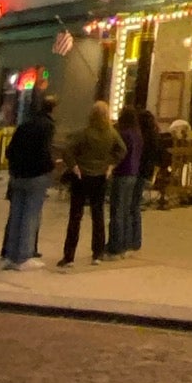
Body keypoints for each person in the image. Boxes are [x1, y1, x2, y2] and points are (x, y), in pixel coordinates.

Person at [57, 100, 125, 269]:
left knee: (76, 216)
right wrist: (111, 163)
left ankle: (69, 256)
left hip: (82, 175)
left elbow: (68, 150)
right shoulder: (112, 133)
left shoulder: (85, 133)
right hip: (100, 176)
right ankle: (98, 253)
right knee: (98, 215)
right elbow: (122, 150)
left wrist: (74, 166)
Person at [1, 93, 58, 270]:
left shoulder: (24, 125)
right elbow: (45, 152)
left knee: (17, 214)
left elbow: (10, 151)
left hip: (18, 175)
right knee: (31, 215)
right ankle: (24, 255)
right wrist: (50, 166)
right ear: (53, 109)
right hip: (36, 175)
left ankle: (11, 254)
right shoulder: (47, 127)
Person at [104, 104, 142, 258]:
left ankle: (116, 245)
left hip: (122, 173)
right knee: (127, 210)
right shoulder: (137, 134)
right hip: (133, 173)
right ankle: (127, 242)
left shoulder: (123, 134)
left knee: (117, 210)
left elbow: (118, 152)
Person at [132, 109, 162, 243]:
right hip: (146, 172)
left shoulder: (140, 137)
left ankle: (132, 238)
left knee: (132, 205)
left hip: (137, 171)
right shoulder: (155, 136)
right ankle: (136, 238)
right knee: (136, 205)